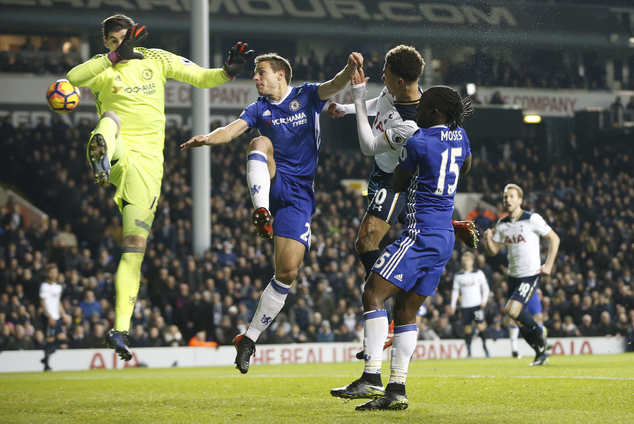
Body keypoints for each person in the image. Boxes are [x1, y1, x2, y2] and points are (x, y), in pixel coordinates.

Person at [66, 14, 252, 361]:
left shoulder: (157, 59)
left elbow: (200, 77)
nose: (125, 44)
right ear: (108, 42)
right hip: (121, 148)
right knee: (111, 119)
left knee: (134, 247)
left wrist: (228, 71)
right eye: (117, 40)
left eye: (128, 37)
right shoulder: (102, 66)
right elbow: (72, 78)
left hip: (149, 166)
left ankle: (119, 329)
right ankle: (101, 155)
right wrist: (116, 57)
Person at [180, 51, 363, 373]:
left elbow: (335, 84)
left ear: (281, 74)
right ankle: (261, 211)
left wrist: (350, 69)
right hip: (273, 180)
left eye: (261, 72)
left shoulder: (306, 94)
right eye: (255, 73)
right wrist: (208, 138)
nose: (255, 77)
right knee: (260, 142)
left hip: (300, 196)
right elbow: (233, 130)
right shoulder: (258, 108)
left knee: (288, 272)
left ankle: (248, 338)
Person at [330, 85, 473, 411]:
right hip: (444, 239)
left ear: (433, 113)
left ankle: (371, 376)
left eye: (422, 106)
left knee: (373, 294)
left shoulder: (419, 140)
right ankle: (397, 389)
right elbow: (464, 167)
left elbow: (396, 183)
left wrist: (412, 166)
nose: (416, 110)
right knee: (406, 311)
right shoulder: (461, 136)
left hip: (419, 234)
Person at [328, 44, 424, 356]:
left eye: (385, 74)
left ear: (400, 81)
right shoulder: (392, 91)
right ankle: (385, 305)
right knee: (364, 244)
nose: (381, 77)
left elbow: (369, 145)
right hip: (379, 174)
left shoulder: (411, 124)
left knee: (366, 242)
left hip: (396, 181)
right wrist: (347, 108)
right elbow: (378, 105)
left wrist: (355, 96)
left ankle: (386, 307)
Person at [483, 183, 560, 366]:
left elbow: (554, 238)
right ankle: (540, 353)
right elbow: (494, 250)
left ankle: (540, 335)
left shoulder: (532, 219)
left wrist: (548, 264)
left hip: (530, 274)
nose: (507, 200)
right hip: (513, 276)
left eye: (511, 196)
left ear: (520, 200)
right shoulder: (502, 224)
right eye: (505, 197)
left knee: (511, 310)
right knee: (516, 320)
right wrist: (487, 240)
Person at [450, 251, 490, 358]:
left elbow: (485, 288)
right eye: (464, 260)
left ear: (472, 261)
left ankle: (486, 348)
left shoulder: (478, 273)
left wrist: (484, 300)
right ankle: (469, 352)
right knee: (467, 328)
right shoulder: (458, 276)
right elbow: (455, 291)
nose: (465, 262)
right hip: (465, 306)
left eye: (467, 260)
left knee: (480, 326)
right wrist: (453, 305)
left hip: (476, 305)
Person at [39, 263, 69, 371]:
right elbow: (43, 303)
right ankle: (46, 365)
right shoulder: (44, 286)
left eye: (55, 272)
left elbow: (58, 302)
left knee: (62, 338)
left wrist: (63, 314)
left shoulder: (58, 287)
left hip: (57, 316)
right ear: (47, 273)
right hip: (49, 317)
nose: (53, 274)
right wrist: (49, 316)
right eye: (51, 272)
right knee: (50, 340)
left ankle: (45, 358)